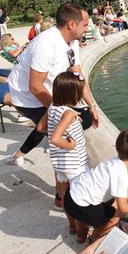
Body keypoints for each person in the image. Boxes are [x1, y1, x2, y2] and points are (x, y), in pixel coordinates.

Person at [4, 3, 99, 168]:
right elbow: (35, 87)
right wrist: (62, 110)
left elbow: (77, 73)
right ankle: (65, 174)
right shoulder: (46, 44)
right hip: (26, 96)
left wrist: (91, 104)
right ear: (71, 24)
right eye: (84, 25)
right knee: (68, 125)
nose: (87, 28)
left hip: (48, 89)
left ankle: (18, 154)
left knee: (59, 122)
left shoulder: (72, 41)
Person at [64, 129, 128, 243]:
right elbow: (123, 207)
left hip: (70, 196)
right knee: (114, 215)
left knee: (85, 210)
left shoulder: (112, 162)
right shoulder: (121, 174)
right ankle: (94, 241)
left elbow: (114, 187)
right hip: (81, 207)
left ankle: (80, 236)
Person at [48, 71, 89, 238]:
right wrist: (70, 145)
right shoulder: (68, 113)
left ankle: (71, 226)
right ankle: (81, 233)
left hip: (59, 163)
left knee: (65, 196)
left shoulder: (53, 107)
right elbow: (55, 138)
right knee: (79, 200)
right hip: (75, 164)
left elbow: (42, 128)